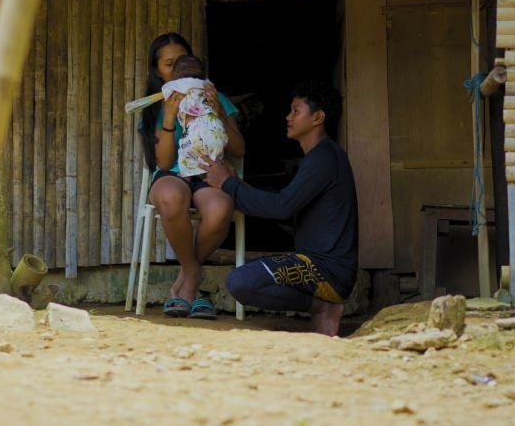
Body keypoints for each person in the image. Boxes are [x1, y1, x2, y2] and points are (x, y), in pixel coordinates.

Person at [200, 80, 358, 336]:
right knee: (243, 280)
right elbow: (284, 205)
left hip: (325, 270)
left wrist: (228, 184)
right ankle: (322, 306)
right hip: (322, 267)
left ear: (317, 117)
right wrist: (235, 183)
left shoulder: (324, 157)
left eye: (296, 111)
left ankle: (322, 307)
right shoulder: (320, 157)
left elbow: (281, 208)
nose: (288, 117)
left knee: (240, 281)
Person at [139, 33, 245, 319]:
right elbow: (163, 161)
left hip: (208, 175)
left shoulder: (215, 97)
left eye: (183, 62)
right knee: (170, 197)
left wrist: (218, 111)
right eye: (169, 64)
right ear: (157, 71)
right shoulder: (154, 106)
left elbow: (239, 149)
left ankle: (186, 282)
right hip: (173, 175)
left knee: (220, 208)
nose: (179, 71)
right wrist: (169, 117)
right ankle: (193, 276)